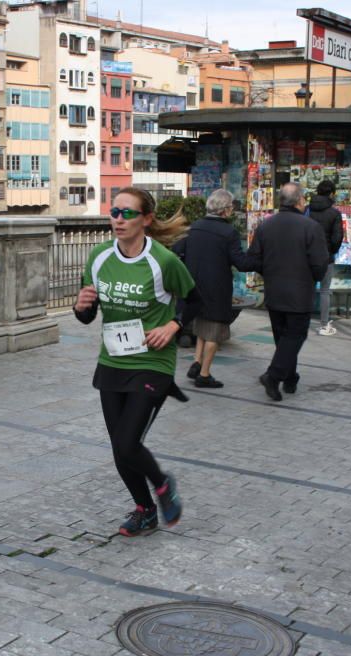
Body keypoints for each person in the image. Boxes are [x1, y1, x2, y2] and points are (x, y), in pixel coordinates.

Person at [73, 187, 196, 537]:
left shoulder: (163, 261)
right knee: (120, 448)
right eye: (114, 212)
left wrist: (173, 325)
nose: (119, 219)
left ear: (146, 219)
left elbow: (197, 300)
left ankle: (162, 484)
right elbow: (87, 315)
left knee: (128, 442)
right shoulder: (98, 257)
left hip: (152, 362)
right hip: (112, 361)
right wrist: (81, 306)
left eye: (128, 213)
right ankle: (144, 510)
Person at [248, 182, 328, 401]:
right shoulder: (311, 227)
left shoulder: (265, 226)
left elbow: (254, 258)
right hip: (300, 292)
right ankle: (273, 376)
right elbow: (320, 264)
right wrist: (313, 277)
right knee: (294, 336)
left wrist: (269, 271)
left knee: (283, 338)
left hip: (274, 291)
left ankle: (290, 377)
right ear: (300, 201)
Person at [173, 189, 257, 388]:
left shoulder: (195, 226)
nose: (231, 210)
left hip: (194, 286)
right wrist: (258, 259)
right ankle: (204, 374)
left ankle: (196, 362)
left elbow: (177, 250)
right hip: (216, 289)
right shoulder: (229, 232)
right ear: (225, 210)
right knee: (215, 331)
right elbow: (241, 262)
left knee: (202, 326)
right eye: (231, 207)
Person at [307, 180, 344, 336]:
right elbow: (337, 238)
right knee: (324, 290)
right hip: (326, 256)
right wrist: (331, 251)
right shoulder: (334, 213)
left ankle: (301, 320)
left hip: (307, 255)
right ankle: (323, 325)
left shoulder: (307, 210)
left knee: (307, 288)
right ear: (331, 194)